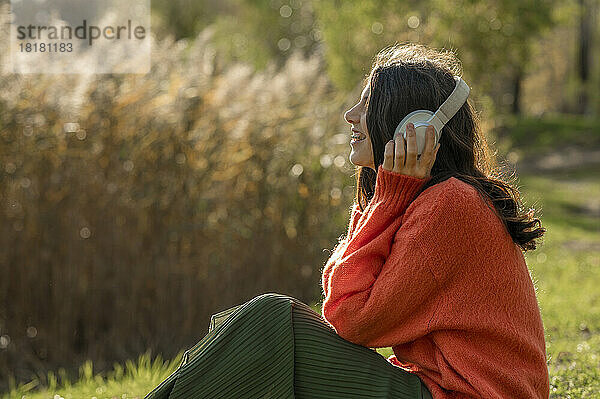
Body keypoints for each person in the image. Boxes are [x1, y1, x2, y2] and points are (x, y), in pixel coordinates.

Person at [145, 42, 549, 399]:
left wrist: (389, 198)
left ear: (415, 127)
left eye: (368, 104)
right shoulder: (436, 199)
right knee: (242, 328)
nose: (350, 115)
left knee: (270, 320)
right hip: (438, 389)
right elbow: (342, 308)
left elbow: (348, 316)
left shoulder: (450, 206)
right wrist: (385, 195)